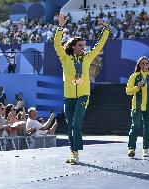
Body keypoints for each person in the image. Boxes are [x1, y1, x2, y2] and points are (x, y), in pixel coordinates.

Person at [54, 12, 110, 164]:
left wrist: (105, 29)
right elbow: (57, 44)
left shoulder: (87, 57)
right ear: (72, 47)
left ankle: (75, 152)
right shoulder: (65, 58)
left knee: (76, 123)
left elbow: (100, 45)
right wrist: (60, 27)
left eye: (84, 45)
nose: (83, 48)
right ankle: (73, 152)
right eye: (80, 45)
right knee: (70, 124)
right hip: (69, 96)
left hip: (83, 95)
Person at [126, 56, 149, 158]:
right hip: (137, 106)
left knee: (147, 128)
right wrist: (138, 87)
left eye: (147, 63)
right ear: (139, 65)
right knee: (135, 126)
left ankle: (145, 149)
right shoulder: (134, 76)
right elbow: (128, 91)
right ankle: (131, 148)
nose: (145, 65)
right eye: (143, 63)